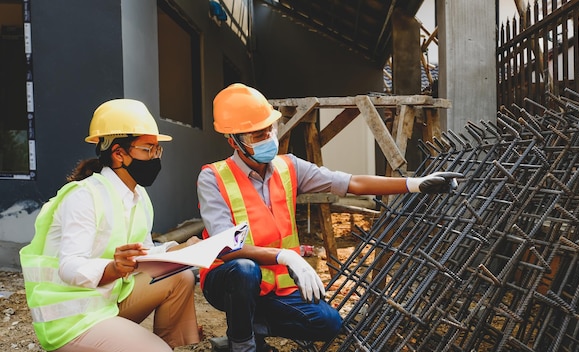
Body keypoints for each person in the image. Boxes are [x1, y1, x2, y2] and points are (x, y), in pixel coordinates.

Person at [197, 83, 462, 352]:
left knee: (328, 323)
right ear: (233, 141)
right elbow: (227, 247)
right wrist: (285, 256)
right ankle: (242, 346)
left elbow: (351, 183)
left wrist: (415, 184)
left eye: (270, 129)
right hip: (229, 280)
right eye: (257, 135)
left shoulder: (288, 167)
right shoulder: (213, 177)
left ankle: (249, 329)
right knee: (245, 269)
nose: (268, 138)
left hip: (275, 287)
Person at [19, 99, 201, 352]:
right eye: (148, 150)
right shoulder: (84, 196)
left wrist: (178, 249)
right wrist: (114, 268)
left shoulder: (138, 196)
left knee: (179, 276)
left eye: (157, 150)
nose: (155, 157)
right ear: (118, 153)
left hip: (107, 302)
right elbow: (69, 267)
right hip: (72, 319)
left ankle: (166, 345)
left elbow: (143, 253)